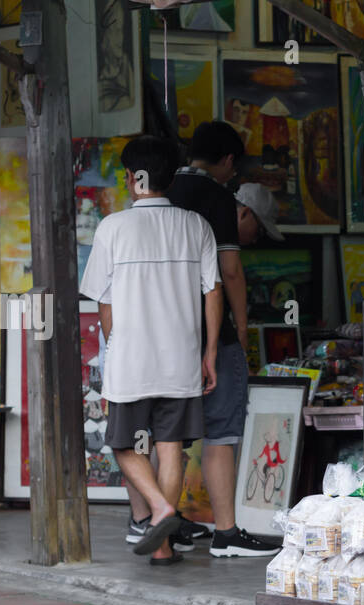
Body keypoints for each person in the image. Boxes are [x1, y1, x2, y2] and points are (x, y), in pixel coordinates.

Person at [127, 120, 283, 558]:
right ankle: (227, 533)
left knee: (161, 436)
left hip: (160, 336)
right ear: (228, 162)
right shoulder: (217, 199)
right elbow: (227, 273)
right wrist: (241, 330)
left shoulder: (158, 194)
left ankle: (155, 521)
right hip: (209, 333)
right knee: (222, 432)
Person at [79, 135, 222, 565]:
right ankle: (162, 545)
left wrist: (115, 347)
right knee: (170, 447)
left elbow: (102, 302)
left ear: (130, 178)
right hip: (180, 358)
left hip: (132, 360)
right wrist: (210, 352)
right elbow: (212, 291)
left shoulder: (113, 228)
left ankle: (159, 511)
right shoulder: (196, 226)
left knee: (125, 446)